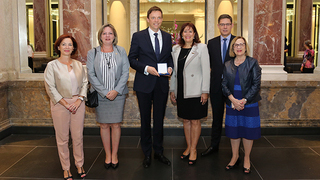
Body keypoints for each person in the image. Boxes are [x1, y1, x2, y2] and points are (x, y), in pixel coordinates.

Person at [128, 6, 173, 168]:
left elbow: (169, 58)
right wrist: (146, 69)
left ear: (162, 19)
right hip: (144, 84)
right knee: (145, 120)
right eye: (153, 17)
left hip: (161, 84)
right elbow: (131, 59)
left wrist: (170, 68)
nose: (156, 20)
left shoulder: (168, 37)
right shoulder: (138, 36)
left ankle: (159, 152)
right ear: (147, 19)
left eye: (159, 17)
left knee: (159, 119)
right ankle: (146, 154)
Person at [44, 34, 88, 180]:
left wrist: (78, 100)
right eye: (64, 44)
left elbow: (85, 83)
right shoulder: (52, 66)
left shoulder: (78, 65)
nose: (67, 47)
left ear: (73, 47)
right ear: (58, 47)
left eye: (70, 44)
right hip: (60, 104)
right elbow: (50, 88)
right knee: (62, 138)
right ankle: (66, 168)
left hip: (78, 104)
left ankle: (79, 164)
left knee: (78, 137)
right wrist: (65, 103)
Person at [87, 24, 129, 170]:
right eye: (104, 33)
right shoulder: (93, 53)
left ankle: (115, 155)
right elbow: (91, 75)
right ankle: (107, 155)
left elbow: (125, 73)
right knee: (104, 125)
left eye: (110, 33)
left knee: (116, 125)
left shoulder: (121, 51)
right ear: (100, 36)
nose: (107, 36)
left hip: (118, 95)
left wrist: (116, 91)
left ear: (114, 36)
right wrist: (105, 92)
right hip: (100, 95)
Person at [170, 23, 210, 165]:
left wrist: (205, 91)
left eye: (190, 31)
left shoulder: (201, 48)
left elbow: (206, 71)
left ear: (194, 34)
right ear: (181, 34)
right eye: (185, 31)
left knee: (195, 120)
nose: (187, 34)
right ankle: (188, 146)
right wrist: (172, 90)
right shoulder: (175, 49)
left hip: (196, 91)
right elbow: (174, 73)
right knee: (186, 120)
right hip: (181, 91)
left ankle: (193, 149)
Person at [222, 36, 261, 174]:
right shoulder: (227, 64)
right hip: (232, 102)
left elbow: (256, 85)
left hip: (248, 103)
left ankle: (247, 158)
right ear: (233, 48)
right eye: (236, 45)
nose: (239, 47)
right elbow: (224, 84)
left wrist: (244, 101)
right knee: (234, 131)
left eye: (241, 44)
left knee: (248, 131)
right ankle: (235, 156)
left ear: (245, 47)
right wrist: (233, 99)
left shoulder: (252, 63)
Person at [202, 14, 236, 156]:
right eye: (222, 24)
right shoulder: (211, 43)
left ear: (232, 25)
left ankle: (235, 150)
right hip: (216, 86)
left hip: (233, 88)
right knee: (216, 118)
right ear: (218, 26)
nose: (225, 27)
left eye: (227, 24)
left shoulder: (237, 42)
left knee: (234, 118)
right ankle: (214, 146)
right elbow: (206, 64)